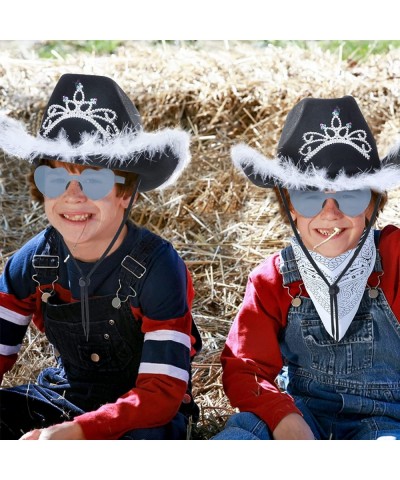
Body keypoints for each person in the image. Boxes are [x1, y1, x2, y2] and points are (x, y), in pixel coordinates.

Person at [0, 73, 201, 440]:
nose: (73, 196)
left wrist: (79, 433)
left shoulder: (157, 267)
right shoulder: (32, 262)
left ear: (126, 192)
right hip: (64, 395)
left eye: (94, 181)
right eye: (55, 180)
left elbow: (161, 394)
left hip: (143, 409)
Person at [213, 96, 400, 440]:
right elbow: (245, 367)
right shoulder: (272, 279)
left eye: (351, 195)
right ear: (289, 205)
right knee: (243, 438)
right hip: (301, 413)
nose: (330, 212)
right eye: (309, 196)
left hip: (384, 421)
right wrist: (281, 415)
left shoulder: (393, 258)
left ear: (374, 203)